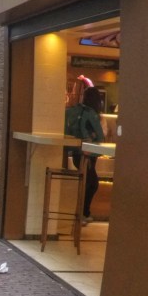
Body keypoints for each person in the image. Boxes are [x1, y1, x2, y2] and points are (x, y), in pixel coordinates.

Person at [64, 76, 105, 223]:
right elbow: (100, 136)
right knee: (92, 183)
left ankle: (83, 213)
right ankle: (83, 213)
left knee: (89, 182)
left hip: (77, 152)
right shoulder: (91, 114)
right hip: (87, 154)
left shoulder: (74, 111)